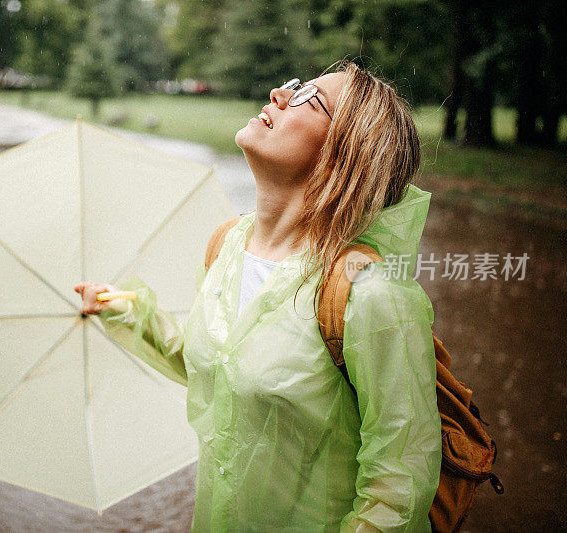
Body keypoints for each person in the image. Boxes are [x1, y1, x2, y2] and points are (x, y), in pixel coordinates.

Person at [74, 58, 441, 532]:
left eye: (310, 97)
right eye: (293, 83)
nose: (278, 93)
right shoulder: (226, 245)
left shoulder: (369, 294)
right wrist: (121, 307)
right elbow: (222, 366)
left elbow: (399, 486)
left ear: (345, 152)